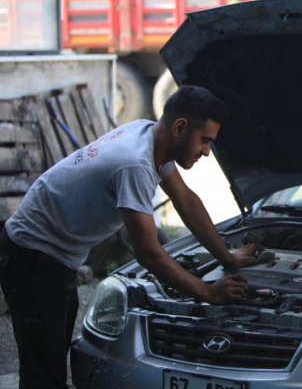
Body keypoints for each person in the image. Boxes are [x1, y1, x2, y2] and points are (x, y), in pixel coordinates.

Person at [0, 85, 260, 388]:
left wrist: (227, 257)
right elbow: (148, 252)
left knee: (51, 358)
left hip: (55, 256)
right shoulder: (134, 163)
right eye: (205, 141)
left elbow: (185, 201)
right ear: (179, 127)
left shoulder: (148, 134)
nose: (206, 151)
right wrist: (206, 292)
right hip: (33, 255)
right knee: (43, 375)